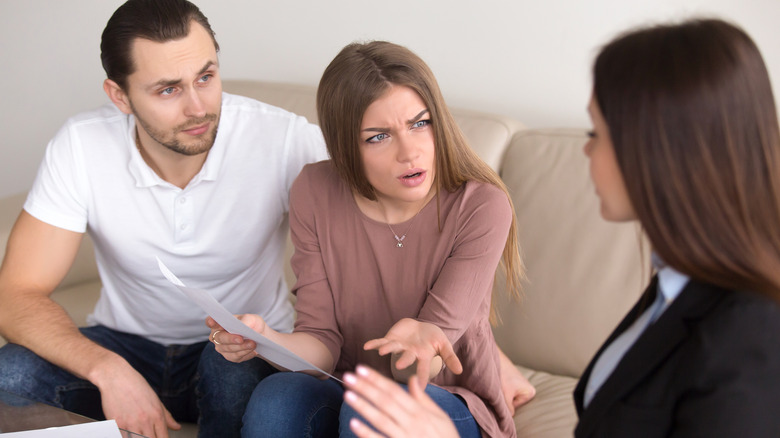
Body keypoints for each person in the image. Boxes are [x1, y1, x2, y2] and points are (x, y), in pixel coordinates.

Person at [342, 17, 780, 438]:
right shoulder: (675, 285)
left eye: (598, 132)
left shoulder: (749, 339)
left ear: (658, 151)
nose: (586, 151)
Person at [0, 0, 327, 437]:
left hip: (236, 350)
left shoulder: (283, 138)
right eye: (168, 89)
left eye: (206, 77)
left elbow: (384, 207)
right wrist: (107, 369)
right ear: (120, 96)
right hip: (125, 344)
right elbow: (16, 294)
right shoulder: (81, 146)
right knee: (12, 372)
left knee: (233, 364)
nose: (198, 108)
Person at [209, 40, 530, 437]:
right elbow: (321, 343)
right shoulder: (315, 190)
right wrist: (265, 340)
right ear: (347, 147)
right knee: (277, 398)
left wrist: (418, 346)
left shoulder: (481, 206)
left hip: (441, 397)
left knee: (372, 411)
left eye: (420, 123)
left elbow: (419, 371)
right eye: (378, 137)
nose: (410, 152)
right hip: (346, 384)